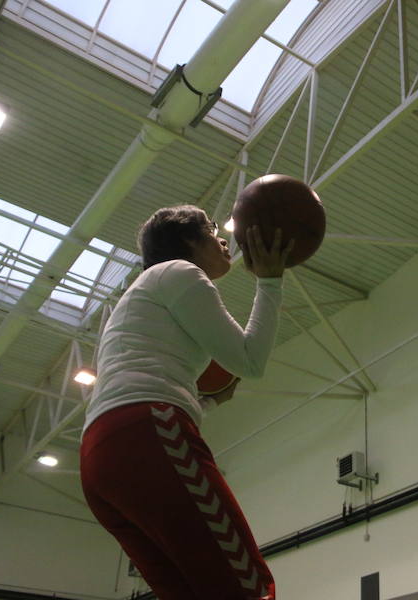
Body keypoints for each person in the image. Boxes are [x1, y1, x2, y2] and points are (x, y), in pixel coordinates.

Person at [79, 205, 293, 599]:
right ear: (187, 240)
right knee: (246, 589)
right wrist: (271, 280)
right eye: (212, 230)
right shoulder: (180, 272)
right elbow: (250, 361)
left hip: (99, 455)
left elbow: (139, 380)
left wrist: (206, 405)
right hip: (144, 432)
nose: (223, 238)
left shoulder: (142, 295)